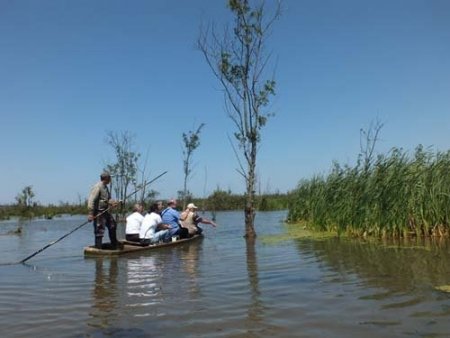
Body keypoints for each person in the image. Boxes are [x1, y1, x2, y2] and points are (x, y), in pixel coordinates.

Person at [87, 172, 120, 249]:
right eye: (110, 178)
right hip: (98, 212)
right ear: (106, 178)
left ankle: (114, 244)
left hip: (106, 211)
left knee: (113, 225)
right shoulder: (97, 187)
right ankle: (98, 248)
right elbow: (91, 200)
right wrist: (90, 213)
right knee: (99, 230)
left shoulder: (105, 187)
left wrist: (113, 203)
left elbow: (107, 199)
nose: (111, 180)